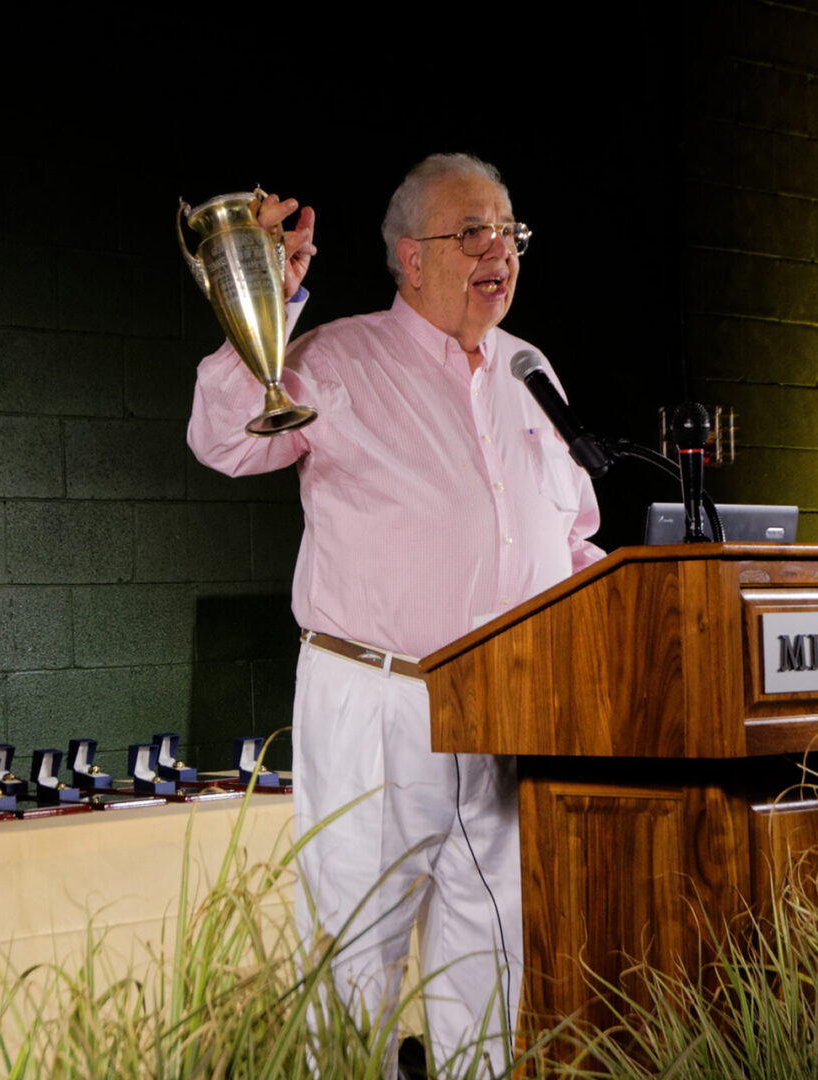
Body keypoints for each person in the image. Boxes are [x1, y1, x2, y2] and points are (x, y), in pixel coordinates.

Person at [187, 154, 603, 1073]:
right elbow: (222, 440)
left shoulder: (531, 371)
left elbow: (573, 540)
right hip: (379, 705)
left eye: (510, 232)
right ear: (411, 258)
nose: (498, 250)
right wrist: (271, 312)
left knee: (490, 971)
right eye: (473, 233)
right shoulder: (336, 358)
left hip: (503, 717)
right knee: (352, 967)